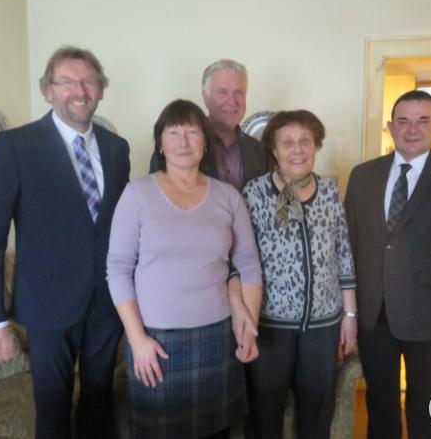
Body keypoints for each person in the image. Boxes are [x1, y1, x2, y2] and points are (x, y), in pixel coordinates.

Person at [0, 46, 129, 439]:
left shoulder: (117, 149)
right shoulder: (15, 146)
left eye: (89, 80)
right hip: (47, 305)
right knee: (54, 414)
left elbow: (119, 228)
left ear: (101, 90)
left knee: (99, 406)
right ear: (47, 91)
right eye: (67, 81)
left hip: (107, 304)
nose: (79, 89)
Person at [107, 99, 263, 438]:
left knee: (217, 432)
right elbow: (117, 269)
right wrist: (137, 339)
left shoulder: (228, 197)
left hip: (218, 336)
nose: (182, 141)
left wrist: (247, 324)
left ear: (204, 142)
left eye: (191, 131)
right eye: (173, 132)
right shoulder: (137, 194)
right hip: (155, 340)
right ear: (160, 143)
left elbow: (248, 264)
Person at [344, 90, 431, 438]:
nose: (412, 129)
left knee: (427, 406)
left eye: (423, 120)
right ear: (390, 127)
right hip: (373, 313)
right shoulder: (363, 176)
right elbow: (346, 246)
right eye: (404, 121)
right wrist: (347, 312)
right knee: (380, 402)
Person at [239, 110, 358, 439]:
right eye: (287, 142)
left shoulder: (331, 193)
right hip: (270, 326)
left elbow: (343, 254)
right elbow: (240, 260)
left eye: (305, 141)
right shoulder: (254, 193)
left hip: (323, 326)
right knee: (265, 413)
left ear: (316, 146)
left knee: (318, 411)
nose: (297, 149)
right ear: (274, 150)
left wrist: (350, 315)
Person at [149, 59, 269, 191]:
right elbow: (157, 198)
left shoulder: (259, 151)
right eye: (223, 92)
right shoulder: (177, 147)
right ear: (205, 97)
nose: (232, 101)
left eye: (238, 93)